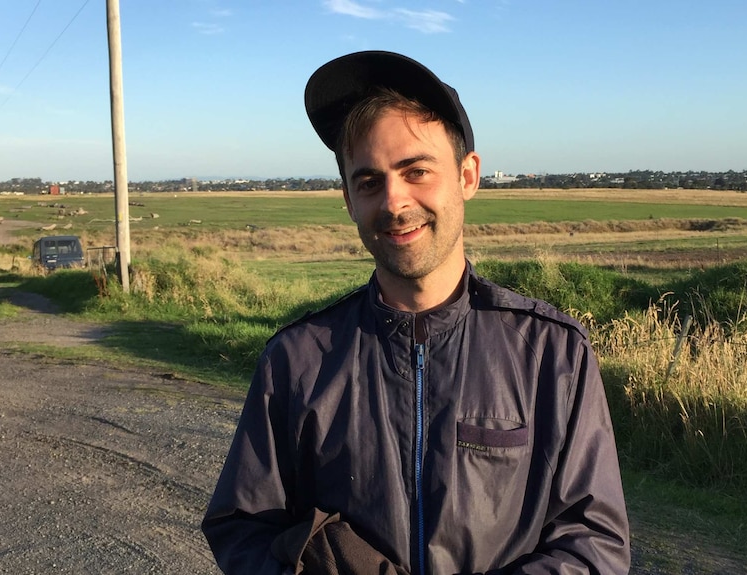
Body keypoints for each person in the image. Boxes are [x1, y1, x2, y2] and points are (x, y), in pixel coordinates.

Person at [202, 50, 630, 575]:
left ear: (468, 176)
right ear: (348, 198)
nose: (394, 202)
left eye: (416, 171)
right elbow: (243, 527)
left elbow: (594, 541)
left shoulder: (551, 353)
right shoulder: (296, 361)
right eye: (368, 182)